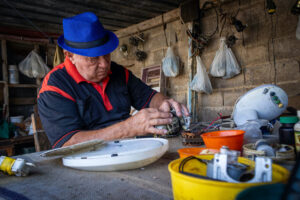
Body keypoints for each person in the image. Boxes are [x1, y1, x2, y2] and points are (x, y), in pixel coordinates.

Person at [37, 12, 189, 148]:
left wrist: (164, 103)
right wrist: (128, 128)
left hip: (126, 151)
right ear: (70, 56)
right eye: (93, 58)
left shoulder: (118, 72)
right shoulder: (55, 87)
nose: (104, 64)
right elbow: (67, 143)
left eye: (106, 54)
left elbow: (149, 97)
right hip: (87, 162)